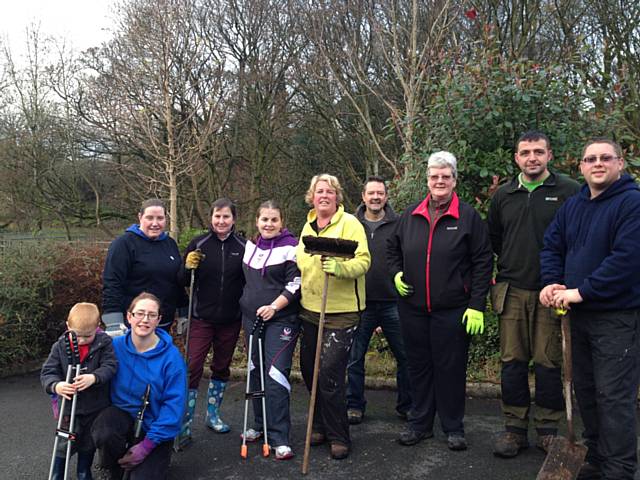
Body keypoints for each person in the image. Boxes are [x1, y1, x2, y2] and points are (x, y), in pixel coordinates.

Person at [540, 138, 640, 480]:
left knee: (613, 396)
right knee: (585, 389)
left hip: (616, 317)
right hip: (577, 317)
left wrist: (582, 292)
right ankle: (596, 457)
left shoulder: (632, 204)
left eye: (605, 158)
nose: (598, 163)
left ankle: (619, 469)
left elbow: (627, 260)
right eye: (590, 159)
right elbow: (552, 244)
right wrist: (552, 283)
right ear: (581, 167)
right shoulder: (574, 205)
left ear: (620, 163)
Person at [387, 151, 493, 451]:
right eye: (434, 176)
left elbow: (483, 261)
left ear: (454, 180)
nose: (440, 181)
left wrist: (476, 305)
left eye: (446, 176)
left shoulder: (468, 216)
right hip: (413, 309)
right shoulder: (410, 214)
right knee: (418, 367)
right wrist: (395, 273)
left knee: (450, 369)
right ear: (427, 179)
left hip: (453, 309)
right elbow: (392, 249)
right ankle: (420, 424)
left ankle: (453, 426)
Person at [487, 131, 580, 457]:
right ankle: (514, 429)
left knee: (548, 362)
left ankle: (547, 429)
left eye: (538, 152)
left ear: (549, 155)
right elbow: (495, 239)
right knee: (512, 362)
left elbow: (577, 239)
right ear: (516, 158)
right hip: (512, 289)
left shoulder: (569, 191)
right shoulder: (503, 196)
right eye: (525, 152)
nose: (532, 158)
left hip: (551, 290)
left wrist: (566, 284)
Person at [296, 173, 371, 460]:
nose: (324, 195)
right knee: (309, 371)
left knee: (329, 373)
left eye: (329, 191)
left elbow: (364, 260)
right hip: (311, 309)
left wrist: (339, 268)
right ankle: (320, 425)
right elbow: (301, 260)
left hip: (341, 312)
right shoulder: (308, 225)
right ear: (311, 197)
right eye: (319, 191)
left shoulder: (350, 224)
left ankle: (339, 435)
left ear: (337, 196)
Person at [91, 292, 187, 480]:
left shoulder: (172, 359)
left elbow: (174, 409)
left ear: (159, 320)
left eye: (151, 315)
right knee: (104, 430)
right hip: (121, 416)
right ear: (129, 317)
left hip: (155, 428)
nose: (145, 319)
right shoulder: (113, 348)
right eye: (139, 313)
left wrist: (146, 446)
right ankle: (115, 466)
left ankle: (149, 459)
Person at [346, 176, 411, 425]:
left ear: (386, 196)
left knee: (405, 356)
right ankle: (354, 405)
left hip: (393, 302)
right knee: (355, 357)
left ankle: (407, 405)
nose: (375, 197)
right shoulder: (351, 224)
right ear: (363, 196)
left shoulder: (399, 223)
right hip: (360, 301)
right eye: (371, 193)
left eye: (380, 193)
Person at [239, 200, 301, 460]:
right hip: (250, 318)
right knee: (255, 372)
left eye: (274, 220)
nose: (269, 224)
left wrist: (274, 307)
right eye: (265, 219)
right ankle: (259, 424)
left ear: (282, 222)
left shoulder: (292, 247)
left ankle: (279, 437)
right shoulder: (249, 246)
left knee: (275, 374)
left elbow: (296, 283)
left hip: (281, 319)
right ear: (257, 221)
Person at [179, 197, 246, 434]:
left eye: (226, 216)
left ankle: (213, 414)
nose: (221, 221)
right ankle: (184, 421)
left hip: (230, 319)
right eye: (217, 216)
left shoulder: (243, 247)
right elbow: (182, 280)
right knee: (192, 366)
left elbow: (250, 282)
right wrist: (187, 267)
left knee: (221, 366)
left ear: (234, 219)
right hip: (201, 318)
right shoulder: (199, 244)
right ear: (211, 218)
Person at [41, 303, 117, 480]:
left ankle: (84, 471)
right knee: (64, 442)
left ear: (97, 327)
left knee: (88, 443)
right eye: (77, 335)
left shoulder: (104, 343)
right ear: (68, 326)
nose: (81, 340)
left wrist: (94, 377)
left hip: (95, 407)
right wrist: (56, 385)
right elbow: (48, 372)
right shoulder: (60, 346)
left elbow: (110, 366)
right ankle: (57, 473)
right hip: (68, 410)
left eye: (87, 336)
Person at [102, 199, 187, 336]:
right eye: (149, 218)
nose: (155, 223)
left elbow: (176, 282)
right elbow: (112, 283)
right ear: (140, 217)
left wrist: (184, 311)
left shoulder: (170, 244)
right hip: (133, 325)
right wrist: (113, 321)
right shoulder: (123, 244)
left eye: (160, 218)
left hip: (163, 322)